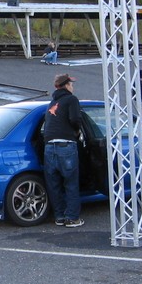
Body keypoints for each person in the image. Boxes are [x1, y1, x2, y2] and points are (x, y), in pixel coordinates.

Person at [42, 73, 84, 228]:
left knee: (54, 184)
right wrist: (77, 132)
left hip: (49, 147)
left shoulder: (52, 103)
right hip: (66, 145)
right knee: (70, 182)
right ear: (66, 85)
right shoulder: (71, 99)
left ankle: (59, 216)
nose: (72, 86)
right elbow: (75, 119)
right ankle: (72, 218)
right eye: (71, 84)